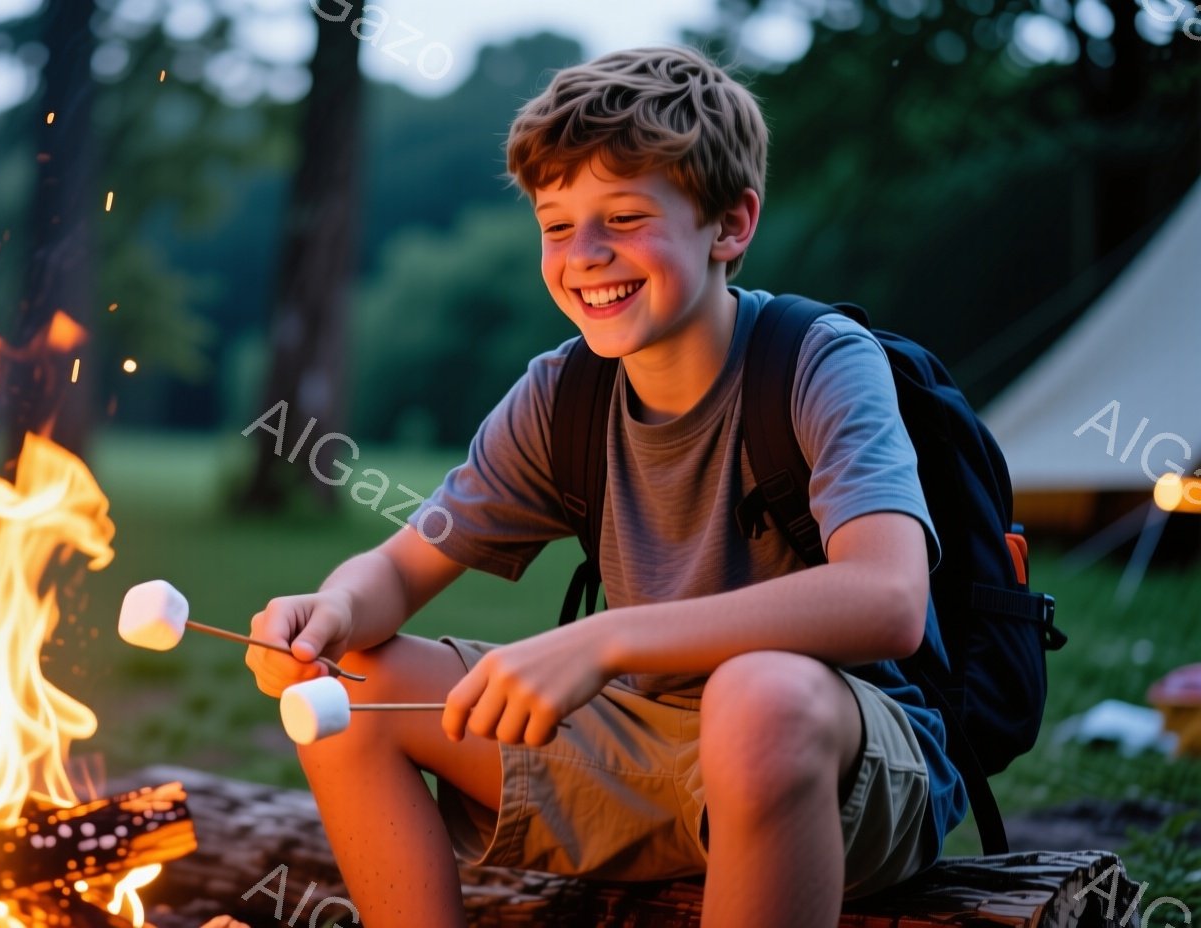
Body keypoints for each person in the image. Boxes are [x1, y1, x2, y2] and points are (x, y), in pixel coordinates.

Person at [242, 45, 967, 928]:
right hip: (643, 750)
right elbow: (397, 569)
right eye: (556, 226)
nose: (584, 255)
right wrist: (330, 612)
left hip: (836, 758)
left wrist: (607, 640)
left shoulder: (817, 361)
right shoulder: (565, 395)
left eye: (623, 218)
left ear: (731, 224)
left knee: (756, 697)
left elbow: (888, 598)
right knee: (351, 686)